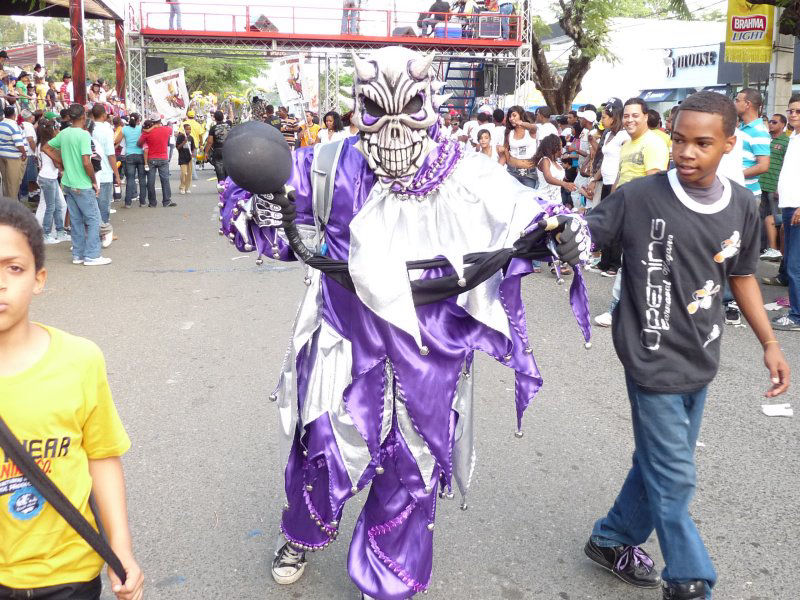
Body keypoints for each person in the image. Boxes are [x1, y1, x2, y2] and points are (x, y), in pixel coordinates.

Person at [219, 46, 591, 600]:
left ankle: (388, 578)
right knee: (323, 450)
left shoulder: (465, 170)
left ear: (431, 104)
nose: (394, 129)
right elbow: (250, 203)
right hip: (346, 342)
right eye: (375, 111)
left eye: (410, 108)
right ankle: (299, 531)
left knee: (411, 473)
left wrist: (563, 229)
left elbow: (527, 210)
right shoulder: (328, 163)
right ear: (356, 108)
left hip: (430, 355)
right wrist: (257, 209)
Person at [581, 90, 790, 600]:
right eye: (678, 140)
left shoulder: (743, 203)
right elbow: (588, 233)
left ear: (729, 145)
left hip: (703, 354)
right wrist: (566, 235)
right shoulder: (640, 196)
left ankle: (612, 539)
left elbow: (741, 276)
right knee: (674, 472)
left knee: (656, 458)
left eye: (702, 143)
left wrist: (769, 342)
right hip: (649, 356)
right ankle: (690, 578)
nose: (687, 153)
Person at [0, 198, 144, 599]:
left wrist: (122, 548)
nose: (1, 282)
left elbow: (101, 455)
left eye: (14, 268)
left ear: (39, 278)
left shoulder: (79, 360)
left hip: (68, 571)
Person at [594, 97, 669, 327]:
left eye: (635, 115)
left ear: (646, 116)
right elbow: (621, 177)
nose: (629, 119)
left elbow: (654, 181)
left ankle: (619, 310)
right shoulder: (627, 145)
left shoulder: (653, 143)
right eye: (626, 115)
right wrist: (615, 205)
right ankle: (641, 312)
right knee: (635, 263)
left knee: (635, 263)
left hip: (646, 214)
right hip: (629, 212)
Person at [42, 103, 111, 266]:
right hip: (82, 184)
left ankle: (78, 254)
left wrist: (61, 161)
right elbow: (86, 162)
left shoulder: (64, 133)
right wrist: (94, 181)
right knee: (93, 219)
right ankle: (92, 255)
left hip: (67, 183)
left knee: (76, 220)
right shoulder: (84, 135)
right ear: (83, 116)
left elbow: (46, 147)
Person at [584, 99, 629, 275]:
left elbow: (622, 163)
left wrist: (615, 187)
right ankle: (604, 260)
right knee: (606, 222)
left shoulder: (624, 136)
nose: (601, 120)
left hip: (616, 184)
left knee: (615, 223)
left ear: (613, 117)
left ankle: (614, 263)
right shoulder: (608, 135)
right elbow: (605, 162)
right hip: (605, 180)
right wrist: (594, 179)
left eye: (604, 117)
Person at [772, 94, 800, 332]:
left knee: (794, 265)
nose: (793, 115)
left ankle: (797, 316)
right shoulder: (794, 137)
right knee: (791, 261)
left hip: (798, 209)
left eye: (798, 111)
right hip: (790, 207)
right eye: (791, 111)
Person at [758, 113, 788, 262]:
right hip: (761, 184)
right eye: (770, 122)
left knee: (775, 220)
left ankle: (776, 250)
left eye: (774, 122)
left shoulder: (786, 141)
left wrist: (780, 187)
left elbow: (786, 166)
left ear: (782, 125)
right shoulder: (766, 140)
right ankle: (762, 248)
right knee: (761, 219)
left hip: (774, 187)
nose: (770, 124)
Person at [90, 103, 120, 248]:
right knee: (103, 207)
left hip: (90, 173)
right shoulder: (107, 130)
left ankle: (94, 234)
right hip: (105, 172)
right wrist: (117, 174)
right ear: (104, 115)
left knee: (93, 206)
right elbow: (110, 154)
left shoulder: (88, 128)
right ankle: (104, 233)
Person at [35, 119, 68, 244]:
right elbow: (56, 162)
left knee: (58, 205)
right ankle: (46, 234)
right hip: (48, 178)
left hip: (48, 177)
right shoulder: (50, 145)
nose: (58, 131)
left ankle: (59, 232)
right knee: (51, 207)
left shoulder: (41, 144)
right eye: (56, 129)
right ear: (52, 131)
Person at [138, 115, 175, 207]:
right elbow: (171, 129)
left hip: (151, 159)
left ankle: (152, 202)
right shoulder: (167, 129)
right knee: (165, 180)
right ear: (160, 121)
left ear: (151, 122)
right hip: (163, 158)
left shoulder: (147, 133)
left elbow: (139, 144)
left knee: (150, 181)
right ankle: (166, 201)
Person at [500, 105, 538, 188]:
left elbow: (534, 127)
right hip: (512, 171)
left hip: (529, 174)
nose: (511, 118)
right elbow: (504, 153)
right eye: (509, 116)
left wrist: (522, 123)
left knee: (529, 198)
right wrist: (497, 168)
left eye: (514, 115)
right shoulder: (509, 132)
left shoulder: (530, 131)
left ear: (521, 115)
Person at [534, 133, 576, 204]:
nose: (562, 149)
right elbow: (548, 178)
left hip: (557, 201)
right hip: (544, 200)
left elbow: (559, 180)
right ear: (555, 148)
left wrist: (570, 185)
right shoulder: (545, 160)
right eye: (560, 146)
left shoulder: (557, 164)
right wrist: (565, 184)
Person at [0, 106, 27, 201]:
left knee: (6, 182)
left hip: (2, 156)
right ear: (14, 115)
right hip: (13, 158)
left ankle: (6, 205)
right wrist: (24, 153)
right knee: (13, 184)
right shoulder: (13, 125)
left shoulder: (1, 124)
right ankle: (12, 208)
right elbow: (19, 143)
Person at [119, 113, 146, 207]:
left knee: (130, 179)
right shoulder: (141, 129)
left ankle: (128, 203)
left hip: (129, 155)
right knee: (142, 179)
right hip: (141, 155)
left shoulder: (124, 129)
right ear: (138, 120)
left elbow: (117, 140)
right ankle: (142, 202)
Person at [203, 110, 230, 192]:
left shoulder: (213, 128)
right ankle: (228, 187)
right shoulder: (229, 126)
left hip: (218, 151)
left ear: (215, 118)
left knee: (219, 170)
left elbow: (210, 142)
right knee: (228, 170)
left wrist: (206, 153)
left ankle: (222, 188)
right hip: (228, 150)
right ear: (223, 117)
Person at [176, 122, 195, 194]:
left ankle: (187, 187)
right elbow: (178, 147)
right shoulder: (180, 137)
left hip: (189, 158)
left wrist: (192, 154)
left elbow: (193, 148)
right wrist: (184, 142)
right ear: (184, 130)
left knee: (189, 174)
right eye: (187, 129)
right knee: (184, 173)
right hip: (182, 157)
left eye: (190, 129)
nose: (189, 131)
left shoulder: (191, 138)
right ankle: (182, 187)